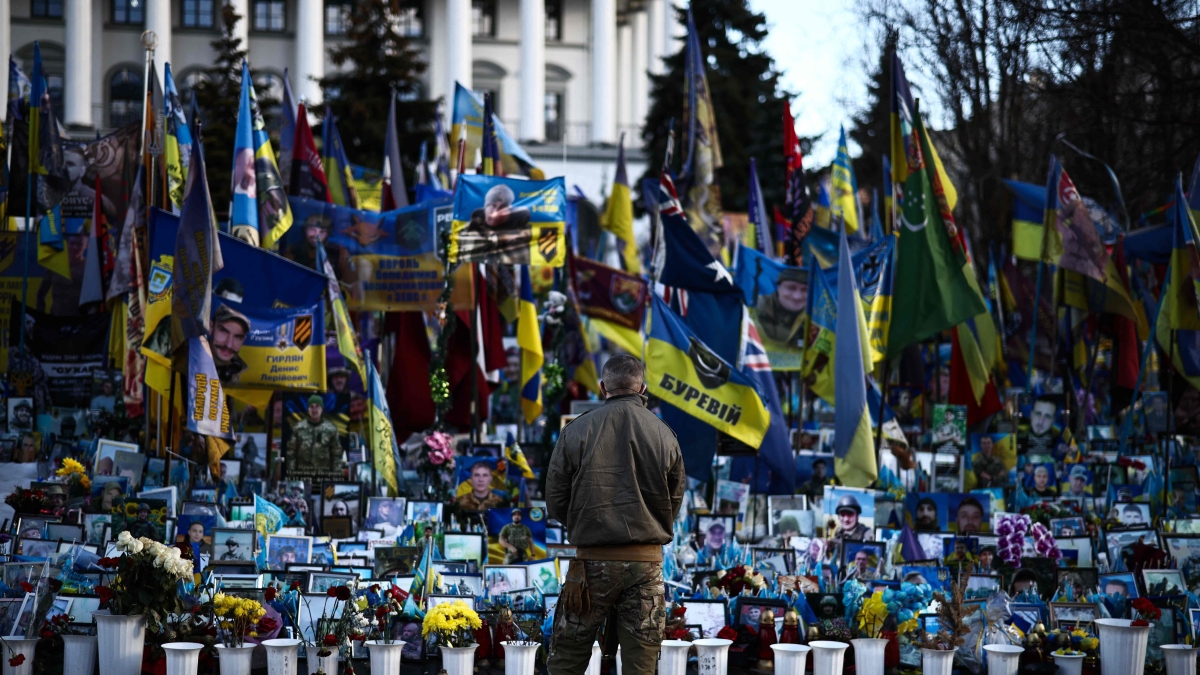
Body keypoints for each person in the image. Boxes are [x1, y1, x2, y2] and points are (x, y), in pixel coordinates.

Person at [546, 354, 685, 675]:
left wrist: (585, 525)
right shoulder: (664, 433)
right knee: (641, 660)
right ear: (643, 388)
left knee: (568, 656)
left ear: (602, 387)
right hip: (646, 565)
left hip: (591, 564)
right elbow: (674, 500)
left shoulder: (576, 430)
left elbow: (555, 500)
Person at [455, 183, 536, 264]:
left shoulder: (522, 235)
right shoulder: (467, 232)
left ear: (510, 212)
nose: (496, 213)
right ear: (485, 207)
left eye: (502, 207)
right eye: (493, 206)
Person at [288, 395, 342, 473]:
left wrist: (336, 474)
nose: (314, 409)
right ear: (308, 409)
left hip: (323, 473)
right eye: (311, 407)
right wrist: (291, 472)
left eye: (317, 406)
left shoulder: (330, 428)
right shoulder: (299, 427)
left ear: (322, 409)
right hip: (303, 473)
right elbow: (291, 450)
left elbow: (336, 452)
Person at [755, 267, 807, 344]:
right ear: (778, 287)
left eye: (805, 290)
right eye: (791, 288)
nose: (797, 296)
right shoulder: (756, 307)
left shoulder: (819, 317)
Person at [211, 304, 251, 385]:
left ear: (243, 340)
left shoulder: (248, 376)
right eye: (224, 331)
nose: (229, 345)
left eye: (237, 337)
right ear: (211, 327)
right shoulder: (187, 360)